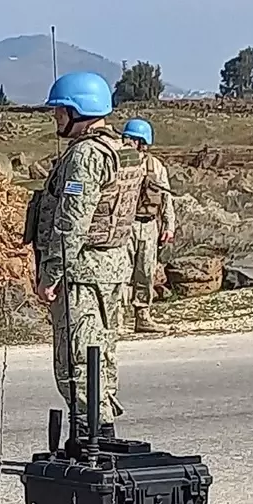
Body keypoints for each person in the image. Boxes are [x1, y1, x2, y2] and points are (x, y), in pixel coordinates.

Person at [24, 71, 146, 443]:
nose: (56, 118)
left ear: (79, 110)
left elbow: (71, 221)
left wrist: (50, 274)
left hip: (82, 273)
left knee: (77, 357)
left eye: (60, 110)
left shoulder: (85, 157)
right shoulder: (123, 150)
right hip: (111, 269)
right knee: (101, 354)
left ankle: (90, 437)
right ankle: (99, 432)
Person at [121, 118, 175, 333]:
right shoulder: (121, 163)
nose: (127, 142)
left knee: (145, 272)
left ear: (142, 142)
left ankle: (142, 316)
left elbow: (166, 197)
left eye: (132, 139)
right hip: (126, 225)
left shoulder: (156, 167)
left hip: (149, 225)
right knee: (122, 272)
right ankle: (115, 318)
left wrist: (169, 226)